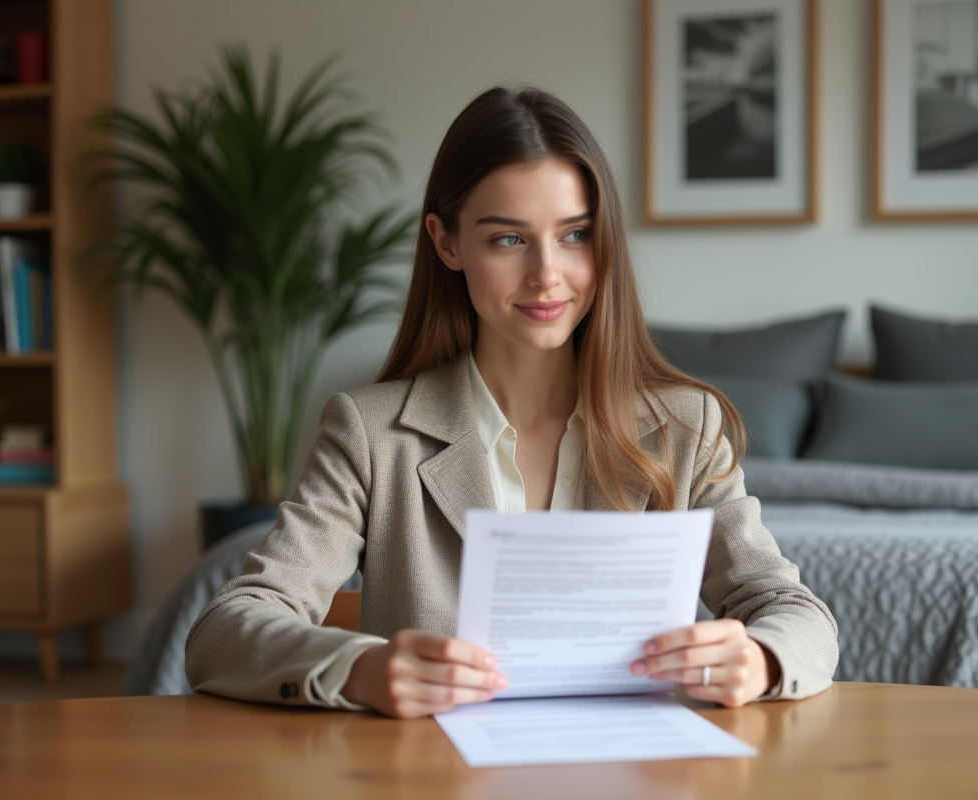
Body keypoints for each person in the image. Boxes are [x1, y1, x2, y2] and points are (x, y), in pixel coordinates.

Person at [185, 86, 838, 720]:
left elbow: (797, 612)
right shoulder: (370, 433)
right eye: (507, 239)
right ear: (447, 243)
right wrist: (363, 669)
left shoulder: (685, 428)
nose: (547, 274)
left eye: (575, 235)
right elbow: (224, 632)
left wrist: (760, 659)